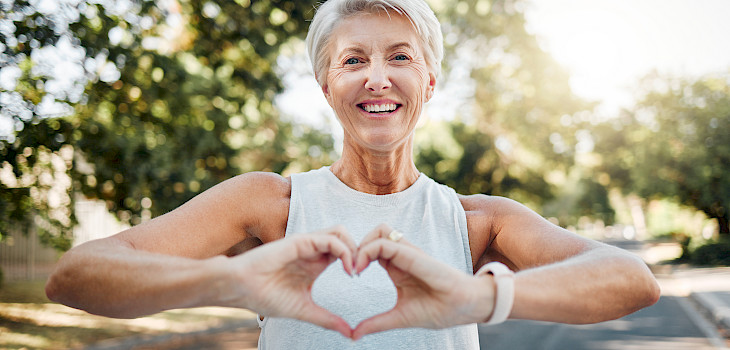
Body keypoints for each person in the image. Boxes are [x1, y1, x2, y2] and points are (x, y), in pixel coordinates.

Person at [45, 0, 661, 349]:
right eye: (353, 60)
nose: (377, 77)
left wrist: (478, 296)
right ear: (326, 85)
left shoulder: (477, 222)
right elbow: (75, 277)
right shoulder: (271, 205)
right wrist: (233, 281)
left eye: (400, 57)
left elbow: (631, 280)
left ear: (428, 82)